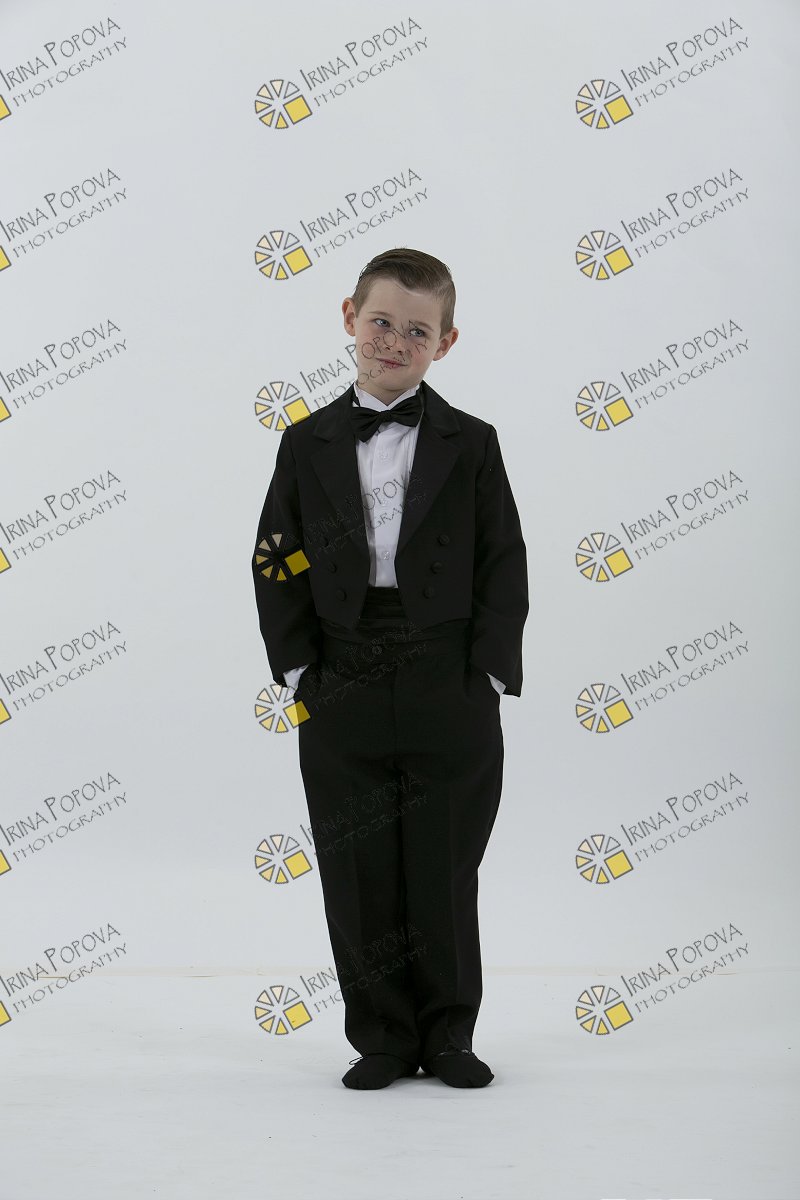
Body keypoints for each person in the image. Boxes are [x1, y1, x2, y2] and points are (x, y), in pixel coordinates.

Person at [251, 247, 529, 1089]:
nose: (395, 341)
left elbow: (502, 560)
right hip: (341, 669)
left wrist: (487, 675)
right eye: (381, 322)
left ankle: (448, 1035)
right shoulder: (305, 442)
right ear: (349, 317)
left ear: (445, 343)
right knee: (356, 863)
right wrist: (299, 671)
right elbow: (277, 556)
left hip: (446, 669)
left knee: (444, 863)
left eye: (418, 331)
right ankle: (379, 1035)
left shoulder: (472, 443)